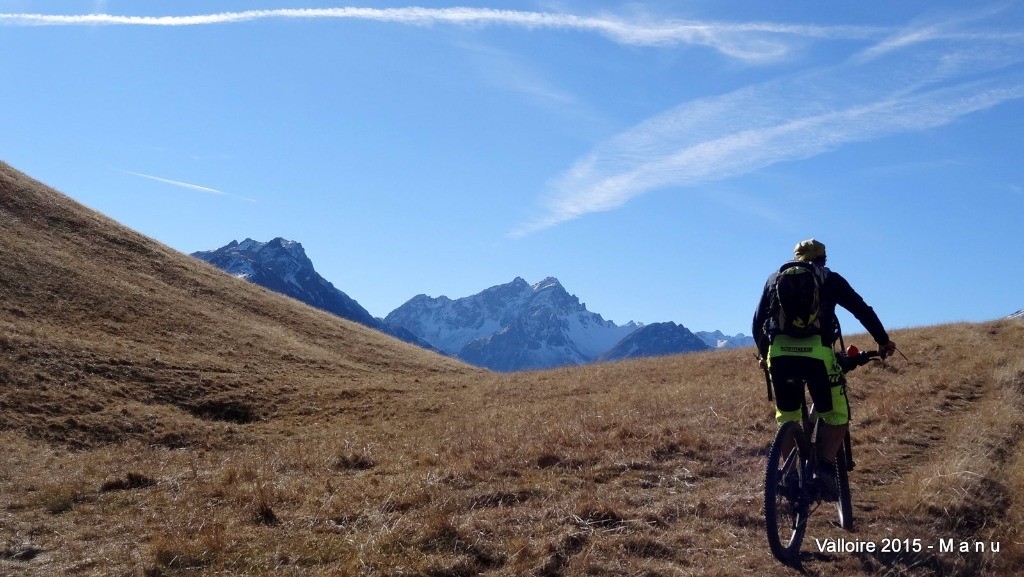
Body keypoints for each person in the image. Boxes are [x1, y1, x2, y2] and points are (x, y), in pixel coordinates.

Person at [752, 239, 896, 498]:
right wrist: (882, 340)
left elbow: (757, 323)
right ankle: (824, 469)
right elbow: (861, 309)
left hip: (781, 355)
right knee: (837, 414)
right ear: (823, 259)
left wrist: (765, 356)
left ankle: (791, 475)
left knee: (787, 417)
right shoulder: (829, 279)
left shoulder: (774, 279)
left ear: (795, 257)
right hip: (818, 355)